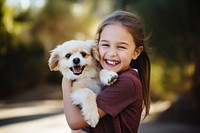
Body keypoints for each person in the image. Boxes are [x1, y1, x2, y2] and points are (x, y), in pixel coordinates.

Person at [62, 10, 151, 133]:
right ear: (96, 47)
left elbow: (75, 122)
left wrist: (65, 81)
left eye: (121, 47)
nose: (111, 53)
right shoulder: (105, 73)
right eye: (105, 45)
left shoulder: (127, 82)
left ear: (136, 52)